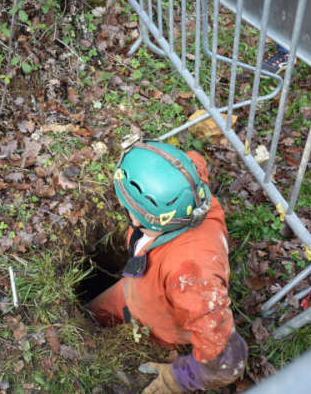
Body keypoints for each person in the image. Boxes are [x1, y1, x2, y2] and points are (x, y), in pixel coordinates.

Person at [87, 140, 247, 393]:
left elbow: (227, 359)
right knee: (91, 314)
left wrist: (177, 380)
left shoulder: (191, 275)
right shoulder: (189, 188)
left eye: (129, 208)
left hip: (159, 320)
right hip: (136, 289)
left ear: (150, 218)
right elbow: (192, 161)